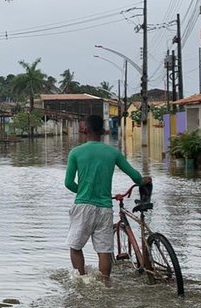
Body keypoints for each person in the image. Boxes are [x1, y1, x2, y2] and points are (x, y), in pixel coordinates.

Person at [64, 114, 150, 280]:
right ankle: (105, 284)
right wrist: (142, 180)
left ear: (84, 130)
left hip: (83, 207)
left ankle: (82, 280)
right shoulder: (113, 152)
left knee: (75, 247)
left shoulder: (76, 152)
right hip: (105, 209)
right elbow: (134, 175)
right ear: (103, 131)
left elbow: (68, 183)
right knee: (104, 250)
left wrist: (83, 191)